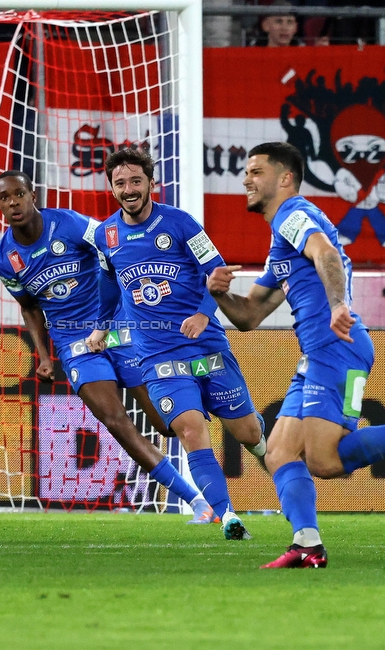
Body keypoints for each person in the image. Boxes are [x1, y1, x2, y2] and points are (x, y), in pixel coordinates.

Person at [206, 142, 385, 568]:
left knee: (325, 460)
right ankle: (307, 544)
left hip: (336, 348)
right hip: (316, 355)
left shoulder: (293, 214)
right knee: (279, 453)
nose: (246, 179)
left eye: (256, 172)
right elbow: (249, 316)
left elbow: (324, 252)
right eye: (246, 172)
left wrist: (339, 303)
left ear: (285, 178)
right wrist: (218, 293)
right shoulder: (280, 240)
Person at [0, 171, 214, 523]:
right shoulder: (5, 259)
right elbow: (29, 307)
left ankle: (208, 391)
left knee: (165, 423)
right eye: (5, 198)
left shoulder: (68, 223)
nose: (14, 202)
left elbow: (114, 243)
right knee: (116, 421)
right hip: (73, 344)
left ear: (33, 195)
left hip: (118, 328)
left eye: (19, 193)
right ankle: (199, 503)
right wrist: (45, 355)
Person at [86, 148, 268, 541]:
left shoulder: (181, 223)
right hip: (155, 354)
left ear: (151, 184)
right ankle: (228, 517)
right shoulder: (105, 235)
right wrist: (101, 328)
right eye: (121, 183)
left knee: (248, 434)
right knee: (189, 430)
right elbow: (107, 287)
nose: (129, 189)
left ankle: (272, 450)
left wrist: (204, 313)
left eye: (136, 181)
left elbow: (216, 272)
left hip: (205, 346)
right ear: (111, 187)